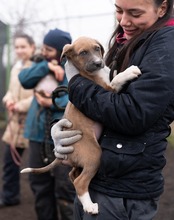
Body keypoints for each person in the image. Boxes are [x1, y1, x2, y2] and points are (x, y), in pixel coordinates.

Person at [51, 0, 174, 219]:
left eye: (134, 13)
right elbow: (101, 99)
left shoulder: (166, 45)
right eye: (118, 10)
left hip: (122, 191)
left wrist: (76, 84)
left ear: (162, 8)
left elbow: (133, 114)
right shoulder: (126, 40)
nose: (124, 21)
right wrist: (61, 129)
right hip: (103, 181)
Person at [18, 28, 75, 220]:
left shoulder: (73, 68)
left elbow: (77, 99)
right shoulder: (40, 64)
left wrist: (52, 102)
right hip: (38, 134)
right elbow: (24, 79)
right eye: (44, 47)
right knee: (39, 184)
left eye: (49, 49)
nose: (44, 52)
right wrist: (47, 67)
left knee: (65, 186)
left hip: (63, 136)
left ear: (61, 50)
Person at [0, 34, 35, 207]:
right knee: (9, 163)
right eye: (17, 47)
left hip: (32, 123)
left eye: (23, 47)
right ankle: (9, 196)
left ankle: (44, 199)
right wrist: (8, 100)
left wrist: (20, 105)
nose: (19, 50)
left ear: (32, 47)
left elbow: (39, 94)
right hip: (14, 124)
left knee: (37, 165)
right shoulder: (15, 68)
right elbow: (10, 91)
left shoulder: (38, 68)